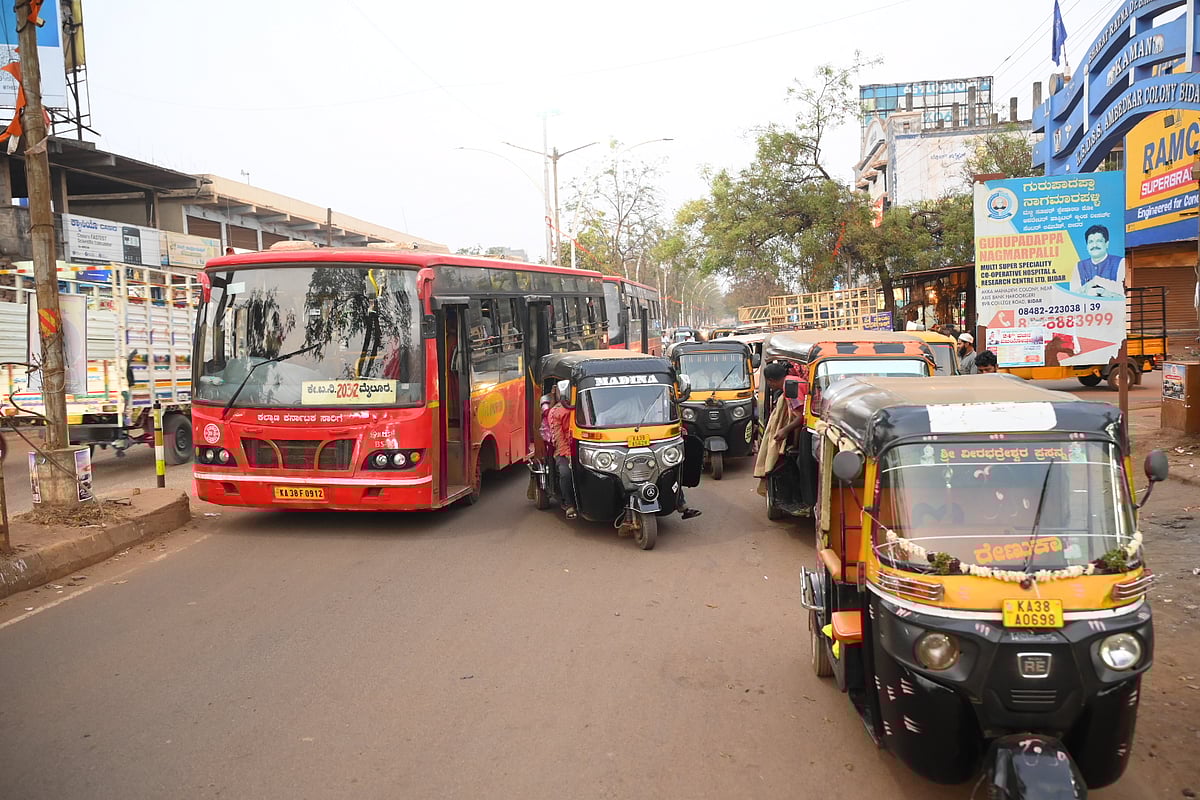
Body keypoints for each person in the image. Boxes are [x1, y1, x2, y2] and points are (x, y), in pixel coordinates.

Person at [546, 379, 578, 519]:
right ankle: (569, 504)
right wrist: (569, 455)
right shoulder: (556, 412)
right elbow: (558, 437)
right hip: (564, 452)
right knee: (565, 473)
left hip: (584, 449)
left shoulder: (585, 406)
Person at [1074, 224, 1126, 296]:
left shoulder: (1120, 262)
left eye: (1099, 241)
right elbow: (1074, 295)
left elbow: (1122, 292)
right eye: (1091, 242)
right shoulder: (1079, 266)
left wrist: (1097, 282)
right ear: (1087, 246)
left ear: (1107, 244)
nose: (1094, 245)